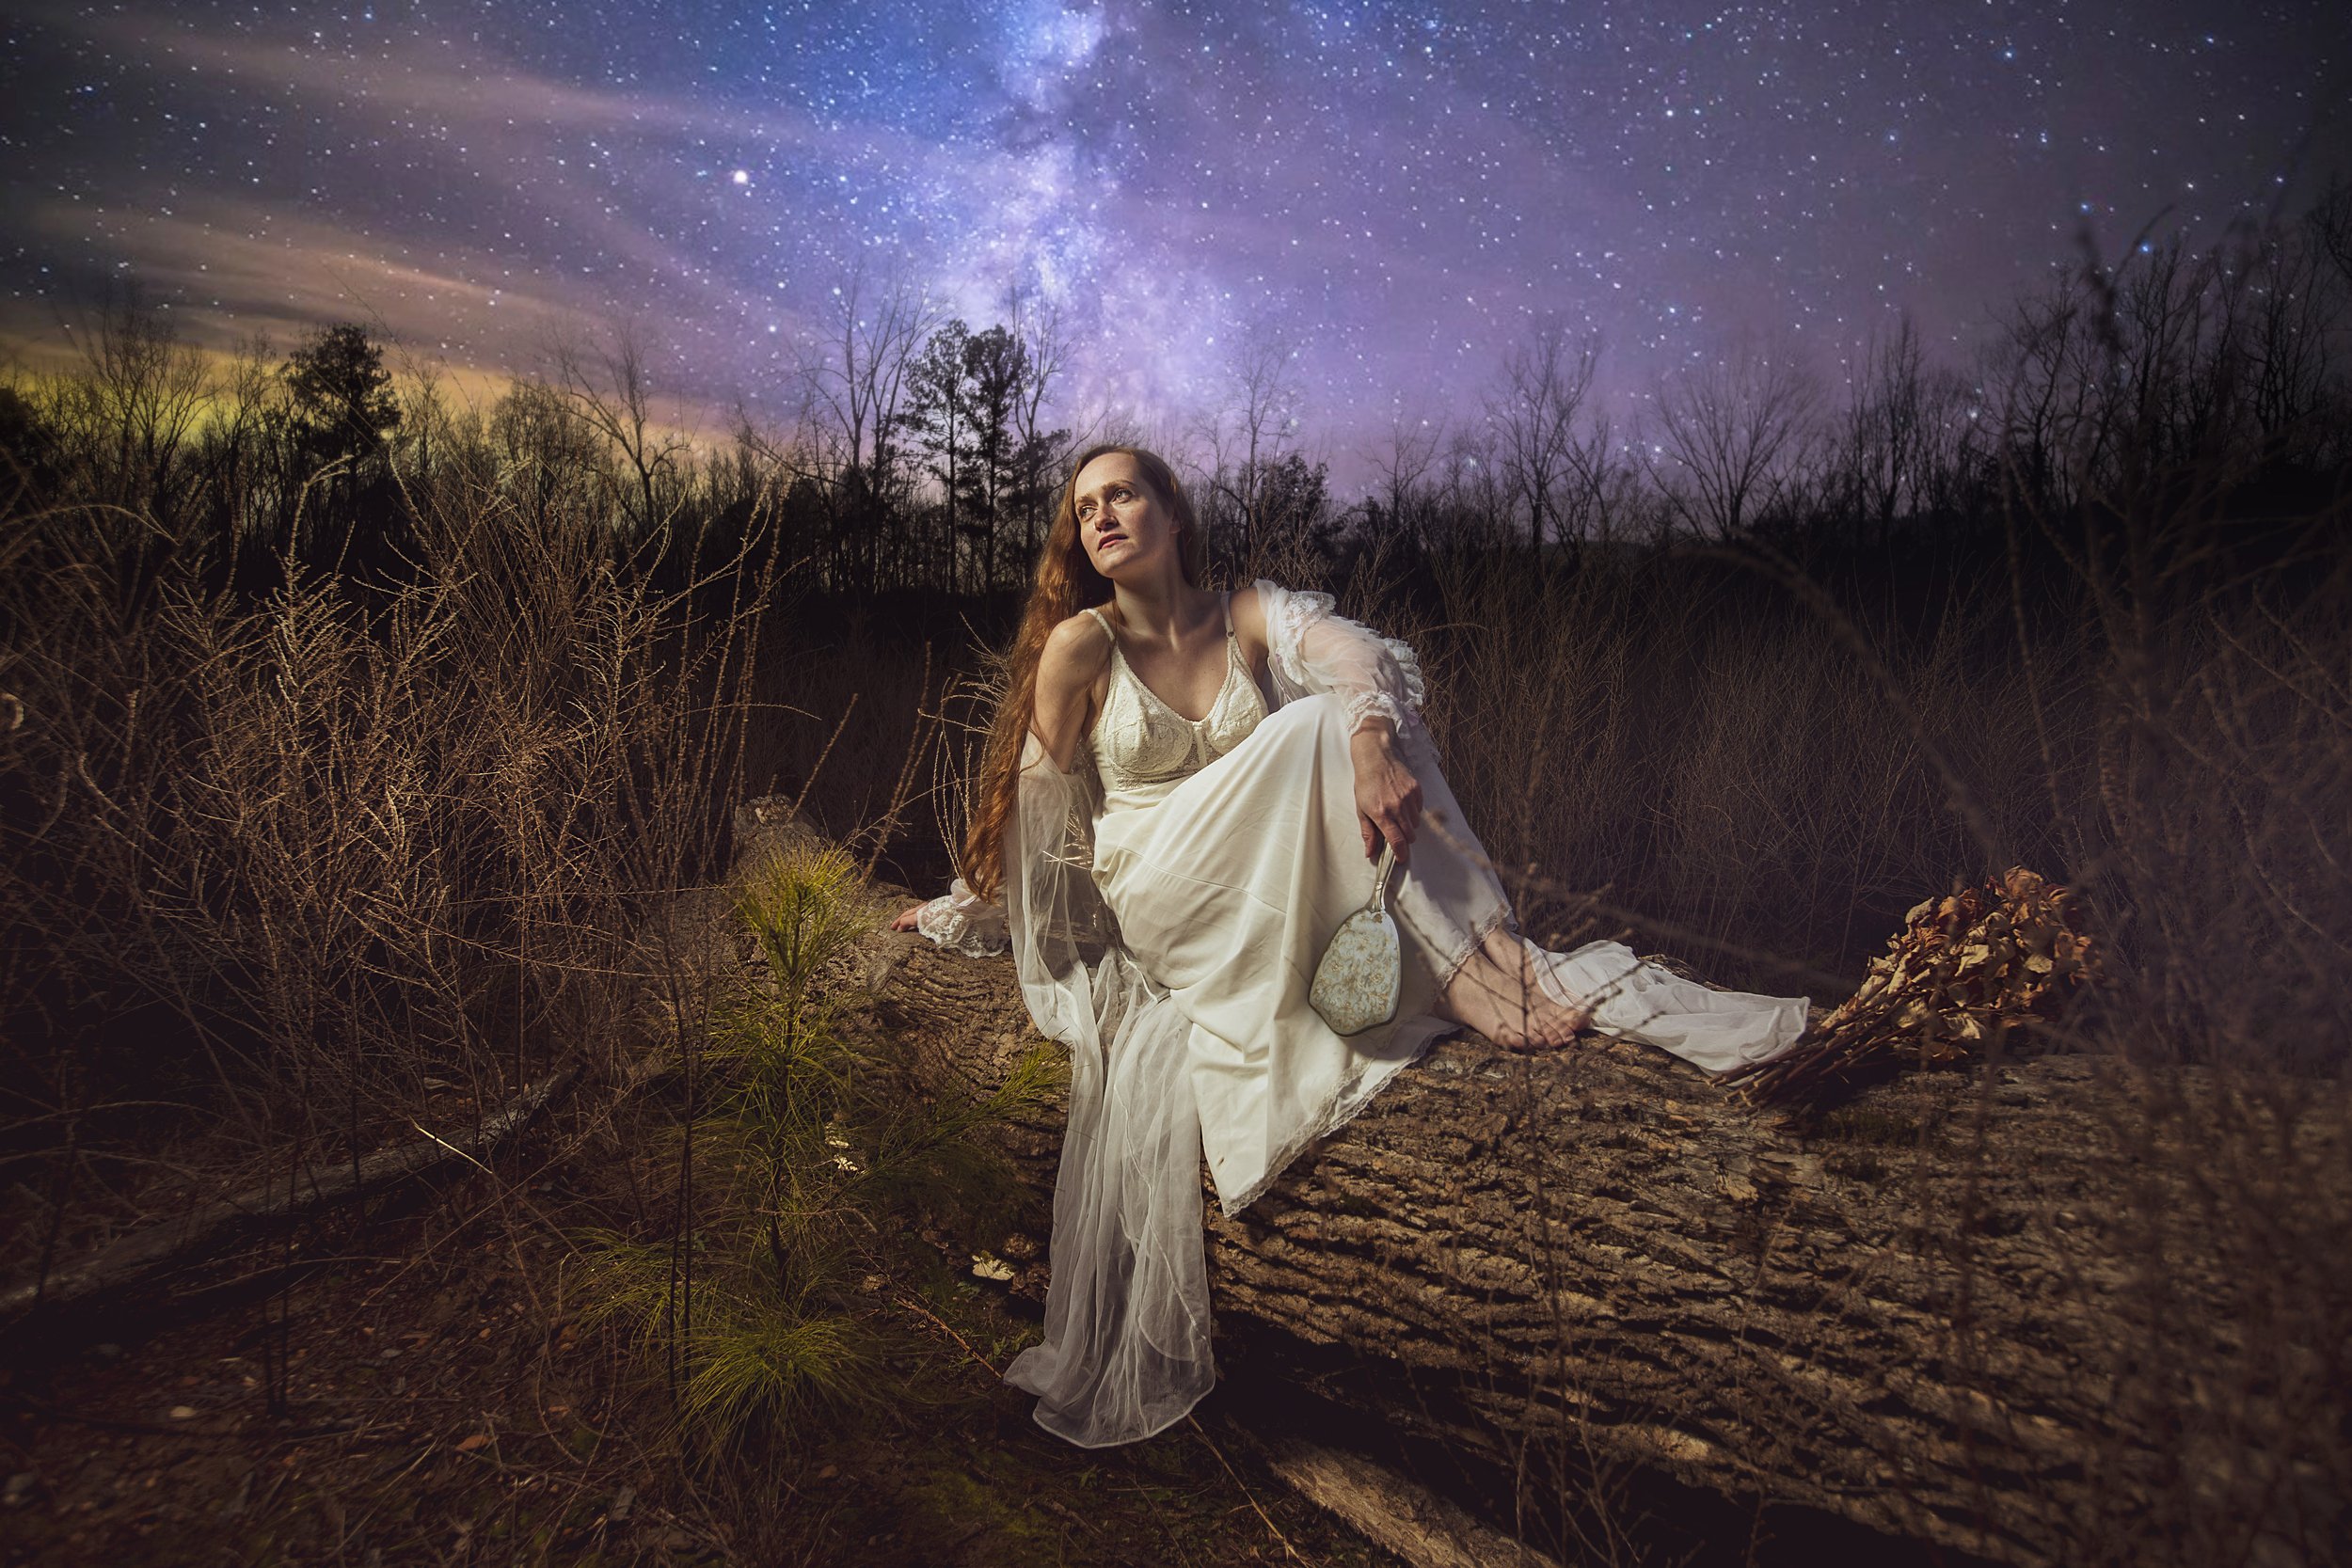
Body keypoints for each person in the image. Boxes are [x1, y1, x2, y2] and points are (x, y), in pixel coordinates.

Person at [893, 443, 1807, 1447]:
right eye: (1085, 507)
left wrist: (1371, 743)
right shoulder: (1082, 643)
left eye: (1124, 494)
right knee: (1307, 733)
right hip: (1162, 882)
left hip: (1262, 885)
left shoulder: (1240, 615)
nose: (1102, 515)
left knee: (1351, 711)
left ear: (1172, 513)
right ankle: (1471, 972)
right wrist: (964, 906)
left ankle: (1478, 959)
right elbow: (1035, 807)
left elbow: (1359, 657)